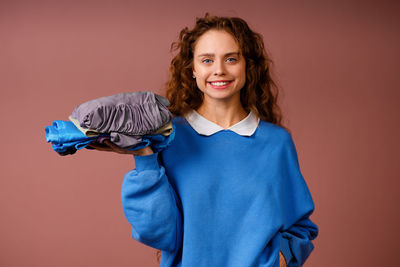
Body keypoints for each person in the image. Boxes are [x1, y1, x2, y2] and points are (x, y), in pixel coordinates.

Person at [90, 13, 318, 267]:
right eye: (207, 60)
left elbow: (300, 227)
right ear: (193, 69)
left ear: (247, 66)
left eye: (231, 59)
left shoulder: (277, 143)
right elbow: (159, 234)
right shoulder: (169, 138)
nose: (219, 70)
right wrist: (145, 158)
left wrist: (283, 258)